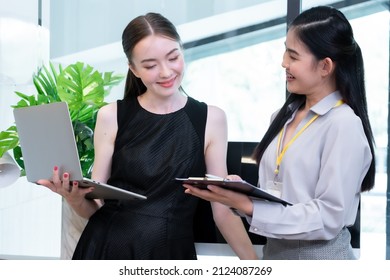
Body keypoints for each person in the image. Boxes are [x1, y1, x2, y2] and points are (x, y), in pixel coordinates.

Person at [37, 12, 257, 260]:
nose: (165, 72)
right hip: (104, 249)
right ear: (133, 69)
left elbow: (222, 210)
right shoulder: (111, 116)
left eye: (173, 58)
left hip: (170, 254)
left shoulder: (211, 119)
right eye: (150, 65)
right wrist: (74, 198)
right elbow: (96, 208)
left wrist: (256, 266)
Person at [184, 5, 376, 260]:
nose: (283, 62)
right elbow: (283, 199)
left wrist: (249, 206)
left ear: (325, 66)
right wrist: (245, 194)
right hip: (275, 255)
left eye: (293, 56)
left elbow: (328, 217)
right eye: (285, 50)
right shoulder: (281, 117)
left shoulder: (343, 124)